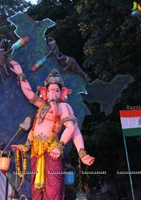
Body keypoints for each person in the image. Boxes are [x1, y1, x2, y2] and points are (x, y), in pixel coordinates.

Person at [10, 60, 95, 200]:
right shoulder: (42, 106)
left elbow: (73, 129)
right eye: (49, 90)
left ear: (62, 92)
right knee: (36, 190)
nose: (52, 93)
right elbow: (28, 93)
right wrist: (20, 74)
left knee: (53, 189)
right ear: (45, 92)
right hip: (36, 152)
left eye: (56, 90)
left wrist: (80, 152)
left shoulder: (63, 107)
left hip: (52, 151)